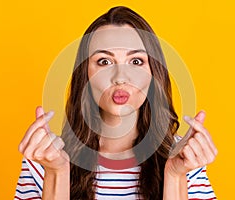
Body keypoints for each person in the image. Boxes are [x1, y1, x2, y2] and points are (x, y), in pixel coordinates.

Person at [15, 6, 218, 200]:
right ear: (85, 76)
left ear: (153, 74)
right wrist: (56, 173)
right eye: (104, 61)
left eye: (136, 61)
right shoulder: (45, 158)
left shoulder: (186, 157)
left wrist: (175, 177)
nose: (120, 77)